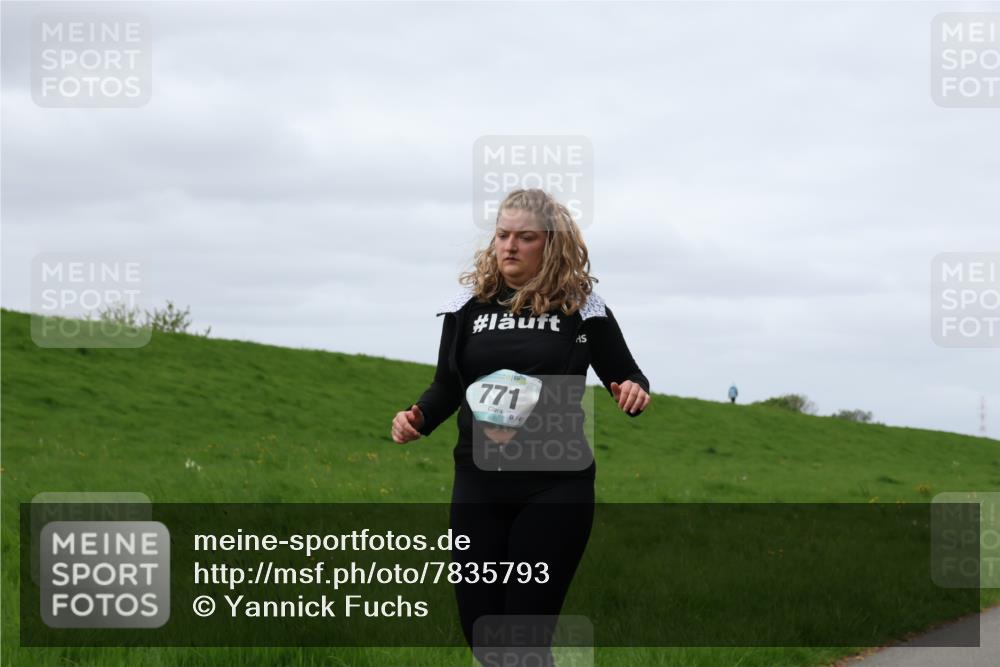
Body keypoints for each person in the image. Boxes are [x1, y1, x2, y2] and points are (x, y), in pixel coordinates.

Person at [391, 188, 650, 664]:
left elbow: (627, 374)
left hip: (554, 488)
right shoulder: (466, 306)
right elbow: (447, 386)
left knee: (524, 637)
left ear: (549, 244)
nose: (509, 245)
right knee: (483, 634)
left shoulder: (582, 307)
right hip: (477, 484)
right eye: (502, 235)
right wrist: (418, 417)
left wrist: (632, 390)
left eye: (524, 237)